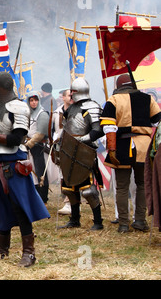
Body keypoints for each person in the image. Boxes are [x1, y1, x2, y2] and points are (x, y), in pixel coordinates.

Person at [0, 72, 50, 267]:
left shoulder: (20, 107)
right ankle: (2, 248)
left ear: (0, 87)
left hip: (14, 165)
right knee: (3, 207)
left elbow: (17, 138)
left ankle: (29, 253)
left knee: (20, 207)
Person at [100, 74, 161, 233]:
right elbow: (156, 121)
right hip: (143, 146)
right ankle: (140, 220)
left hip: (121, 145)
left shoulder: (113, 100)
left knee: (121, 187)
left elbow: (108, 126)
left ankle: (124, 224)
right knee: (142, 184)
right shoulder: (147, 98)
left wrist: (112, 149)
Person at [58, 77, 104, 230]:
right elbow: (66, 128)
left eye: (72, 92)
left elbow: (98, 130)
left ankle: (98, 221)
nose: (70, 95)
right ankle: (74, 219)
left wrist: (80, 140)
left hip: (85, 152)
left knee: (88, 190)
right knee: (69, 188)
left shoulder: (92, 107)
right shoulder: (71, 109)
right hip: (70, 152)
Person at [25, 91, 50, 203]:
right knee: (32, 172)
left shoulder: (42, 113)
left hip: (39, 146)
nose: (34, 102)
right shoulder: (28, 113)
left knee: (40, 172)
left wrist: (29, 144)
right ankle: (34, 196)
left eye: (35, 100)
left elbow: (40, 134)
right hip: (29, 145)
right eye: (31, 100)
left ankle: (42, 197)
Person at [54, 89, 73, 215]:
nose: (71, 97)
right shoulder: (57, 112)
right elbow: (54, 129)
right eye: (68, 95)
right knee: (63, 174)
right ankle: (68, 201)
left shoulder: (77, 110)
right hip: (60, 145)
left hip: (73, 146)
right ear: (63, 98)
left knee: (71, 174)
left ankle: (71, 202)